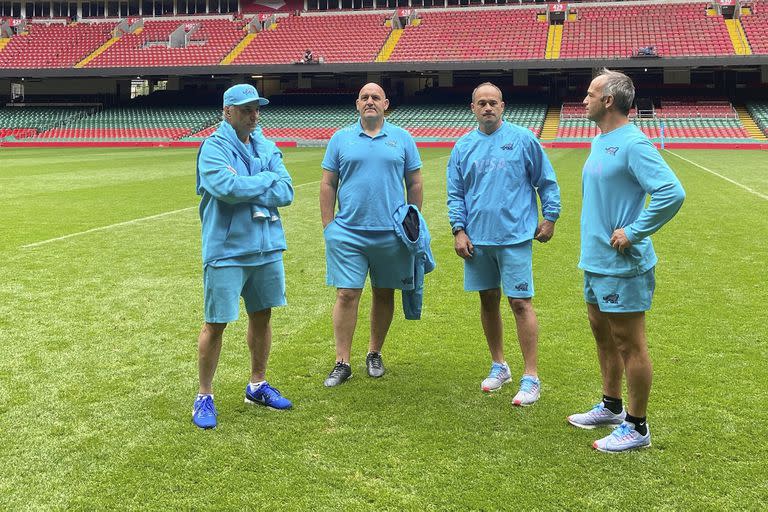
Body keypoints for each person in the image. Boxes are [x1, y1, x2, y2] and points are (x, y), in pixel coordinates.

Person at [567, 69, 685, 452]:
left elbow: (671, 192)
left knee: (629, 343)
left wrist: (634, 231)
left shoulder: (634, 143)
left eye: (589, 94)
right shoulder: (600, 140)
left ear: (608, 101)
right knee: (603, 336)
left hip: (622, 263)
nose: (583, 99)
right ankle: (611, 406)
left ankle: (637, 426)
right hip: (596, 260)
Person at [447, 82, 561, 406]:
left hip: (514, 236)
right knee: (487, 301)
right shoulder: (462, 147)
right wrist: (459, 230)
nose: (487, 107)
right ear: (472, 108)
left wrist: (550, 217)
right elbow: (456, 194)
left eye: (492, 102)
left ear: (503, 106)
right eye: (481, 103)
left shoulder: (523, 139)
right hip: (477, 239)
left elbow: (546, 181)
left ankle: (531, 377)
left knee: (520, 303)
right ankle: (500, 366)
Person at [192, 83, 295, 429]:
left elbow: (287, 191)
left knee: (262, 316)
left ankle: (257, 384)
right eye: (247, 109)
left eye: (257, 109)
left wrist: (257, 181)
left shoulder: (265, 144)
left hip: (265, 247)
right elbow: (227, 189)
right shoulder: (213, 148)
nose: (254, 115)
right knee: (216, 323)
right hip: (226, 250)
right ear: (227, 111)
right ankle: (204, 394)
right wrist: (266, 179)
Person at [320, 82, 423, 387]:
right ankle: (342, 362)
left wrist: (412, 219)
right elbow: (328, 184)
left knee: (384, 292)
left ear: (386, 103)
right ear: (357, 104)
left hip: (391, 234)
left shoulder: (402, 139)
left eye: (375, 97)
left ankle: (374, 353)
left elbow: (415, 183)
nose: (369, 101)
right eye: (364, 97)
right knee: (346, 293)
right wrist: (329, 226)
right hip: (349, 233)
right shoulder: (340, 139)